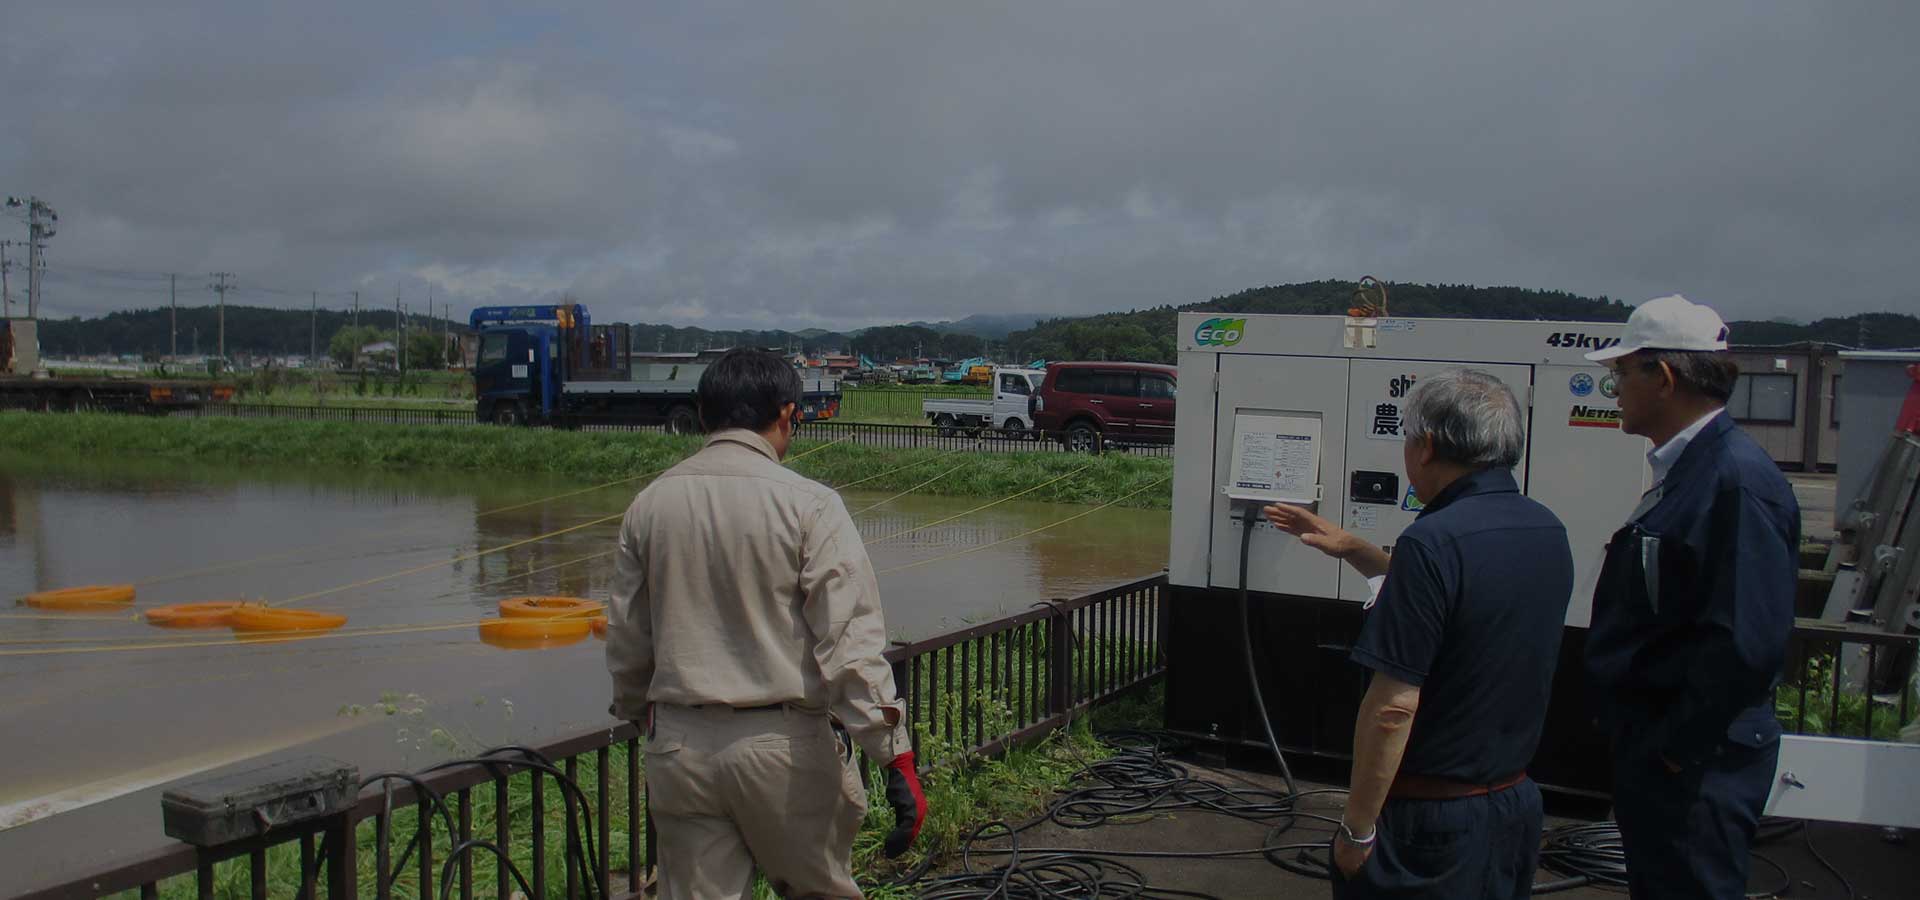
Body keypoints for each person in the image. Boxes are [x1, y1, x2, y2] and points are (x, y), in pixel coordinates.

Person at [605, 348, 926, 899]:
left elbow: (629, 641)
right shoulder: (810, 506)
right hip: (783, 747)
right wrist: (892, 752)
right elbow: (850, 643)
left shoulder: (649, 505)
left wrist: (645, 718)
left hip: (679, 748)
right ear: (786, 415)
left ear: (703, 415)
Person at [1265, 368, 1574, 899]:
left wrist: (1356, 831)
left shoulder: (1431, 542)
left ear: (1426, 447)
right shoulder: (1545, 527)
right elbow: (1465, 606)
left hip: (1432, 823)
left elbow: (1392, 708)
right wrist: (1359, 551)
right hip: (1513, 805)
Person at [1582, 295, 1799, 900]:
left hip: (1697, 764)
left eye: (1622, 374)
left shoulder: (1734, 481)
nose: (1615, 389)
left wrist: (1674, 750)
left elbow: (1745, 642)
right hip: (1675, 754)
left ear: (1665, 377)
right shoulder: (1695, 469)